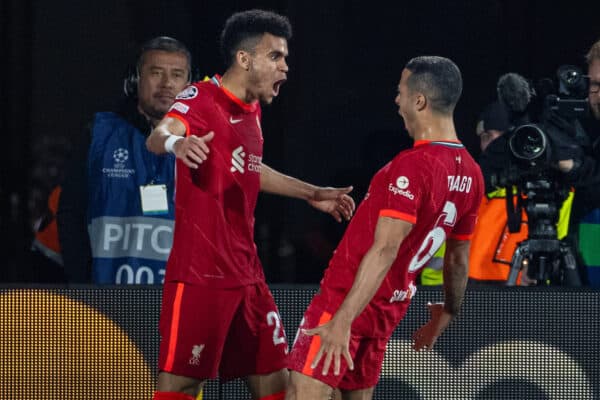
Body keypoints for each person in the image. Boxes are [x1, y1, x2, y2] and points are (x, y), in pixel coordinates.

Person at [144, 10, 356, 400]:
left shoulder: (252, 110)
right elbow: (159, 135)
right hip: (200, 278)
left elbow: (250, 169)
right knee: (181, 386)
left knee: (277, 385)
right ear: (244, 59)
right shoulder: (200, 97)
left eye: (286, 58)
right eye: (276, 57)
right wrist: (178, 144)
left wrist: (312, 193)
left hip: (248, 277)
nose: (285, 68)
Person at [284, 56, 484, 399]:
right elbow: (458, 260)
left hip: (345, 302)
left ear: (419, 101)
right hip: (386, 313)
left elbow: (386, 248)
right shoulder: (472, 173)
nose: (396, 100)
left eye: (400, 92)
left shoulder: (413, 166)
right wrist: (449, 310)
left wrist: (343, 319)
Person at [56, 36, 193, 284]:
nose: (167, 84)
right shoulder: (98, 135)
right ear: (135, 80)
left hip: (181, 305)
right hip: (106, 300)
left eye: (176, 75)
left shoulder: (205, 142)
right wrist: (83, 286)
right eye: (156, 72)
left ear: (188, 85)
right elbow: (70, 215)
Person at [558, 39, 600, 286]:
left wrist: (575, 169)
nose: (599, 94)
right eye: (594, 84)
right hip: (588, 288)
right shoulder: (592, 145)